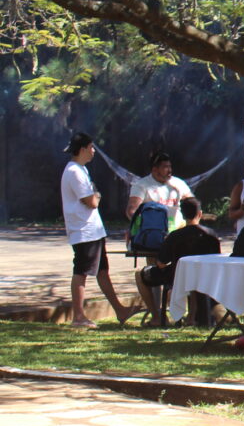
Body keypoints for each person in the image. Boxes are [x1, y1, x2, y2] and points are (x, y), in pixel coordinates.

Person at [60, 132, 137, 327]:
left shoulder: (81, 169)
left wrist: (95, 194)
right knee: (81, 271)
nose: (93, 151)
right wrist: (98, 195)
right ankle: (78, 317)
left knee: (102, 271)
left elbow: (92, 197)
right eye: (91, 147)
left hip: (93, 230)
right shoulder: (74, 172)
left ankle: (120, 310)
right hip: (84, 231)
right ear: (83, 149)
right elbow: (92, 201)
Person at [135, 196, 221, 326]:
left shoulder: (175, 235)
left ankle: (156, 317)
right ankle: (191, 317)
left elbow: (161, 263)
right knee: (194, 277)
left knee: (139, 275)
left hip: (177, 277)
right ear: (200, 214)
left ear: (182, 215)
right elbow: (217, 259)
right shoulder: (211, 234)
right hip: (204, 276)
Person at [126, 151, 194, 233]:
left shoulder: (178, 183)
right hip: (152, 232)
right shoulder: (141, 185)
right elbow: (131, 211)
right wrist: (144, 226)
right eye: (165, 167)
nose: (170, 170)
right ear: (155, 170)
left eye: (170, 166)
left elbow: (193, 203)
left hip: (178, 232)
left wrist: (192, 225)